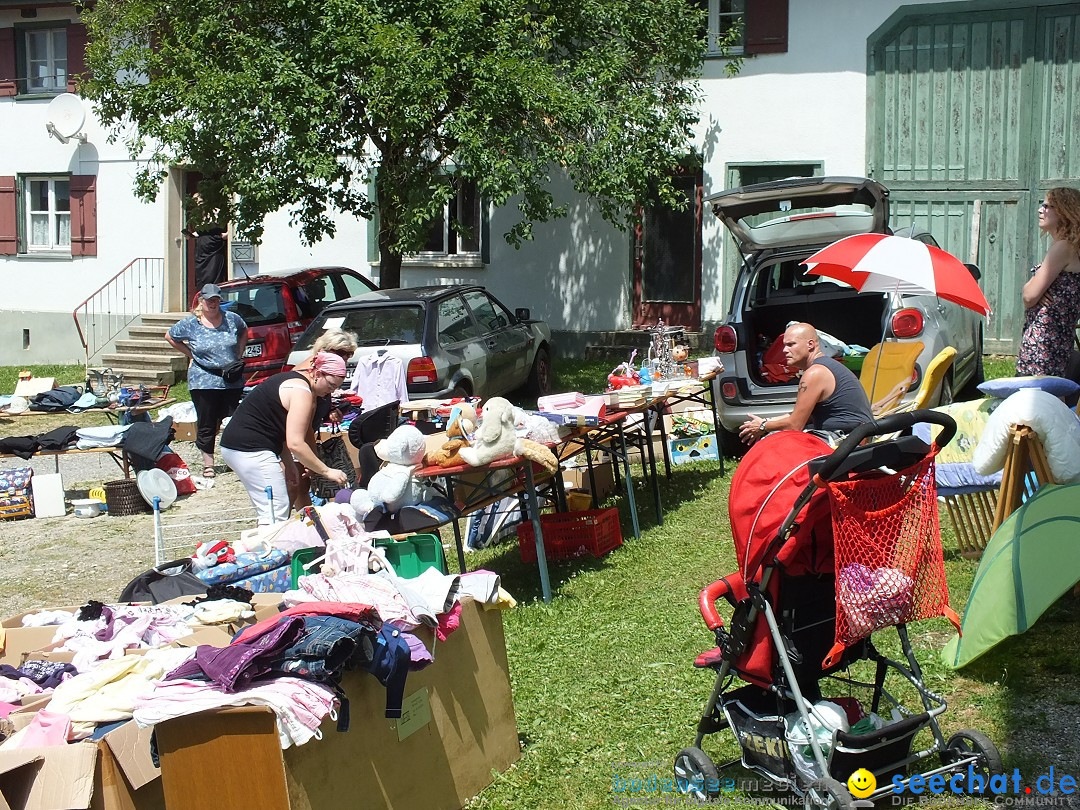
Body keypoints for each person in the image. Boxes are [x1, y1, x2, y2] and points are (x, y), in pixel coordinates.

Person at [219, 352, 350, 524]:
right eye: (331, 385)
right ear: (317, 373)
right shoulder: (301, 391)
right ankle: (271, 549)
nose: (330, 391)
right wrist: (326, 471)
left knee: (272, 507)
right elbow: (295, 442)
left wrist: (289, 464)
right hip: (249, 449)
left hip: (241, 446)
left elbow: (277, 428)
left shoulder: (294, 382)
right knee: (275, 510)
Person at [739, 322, 873, 446]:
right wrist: (765, 422)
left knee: (773, 445)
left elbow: (794, 425)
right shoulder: (823, 366)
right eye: (784, 345)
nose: (784, 350)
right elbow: (802, 416)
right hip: (851, 435)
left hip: (849, 440)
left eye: (791, 344)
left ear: (810, 345)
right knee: (773, 439)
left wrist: (762, 426)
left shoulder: (815, 373)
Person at [165, 283, 248, 477]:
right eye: (209, 300)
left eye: (216, 300)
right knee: (207, 421)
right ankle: (208, 463)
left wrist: (239, 352)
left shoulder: (232, 319)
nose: (213, 303)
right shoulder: (191, 323)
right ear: (201, 301)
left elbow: (244, 330)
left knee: (231, 418)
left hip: (230, 378)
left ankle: (236, 457)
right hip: (203, 379)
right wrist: (190, 354)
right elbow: (170, 336)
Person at [285, 328, 359, 509]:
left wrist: (330, 411)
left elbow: (317, 405)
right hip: (293, 436)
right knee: (296, 486)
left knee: (303, 485)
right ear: (325, 350)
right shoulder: (307, 375)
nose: (346, 359)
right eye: (343, 353)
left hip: (304, 434)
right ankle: (296, 525)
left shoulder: (325, 373)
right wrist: (314, 460)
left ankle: (309, 523)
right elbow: (304, 423)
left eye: (349, 354)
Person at [1016, 187, 1080, 377]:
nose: (1040, 210)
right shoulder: (1072, 247)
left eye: (1047, 206)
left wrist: (1033, 289)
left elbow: (1029, 296)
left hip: (1044, 343)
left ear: (1064, 212)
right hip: (1059, 340)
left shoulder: (1062, 248)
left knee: (1039, 398)